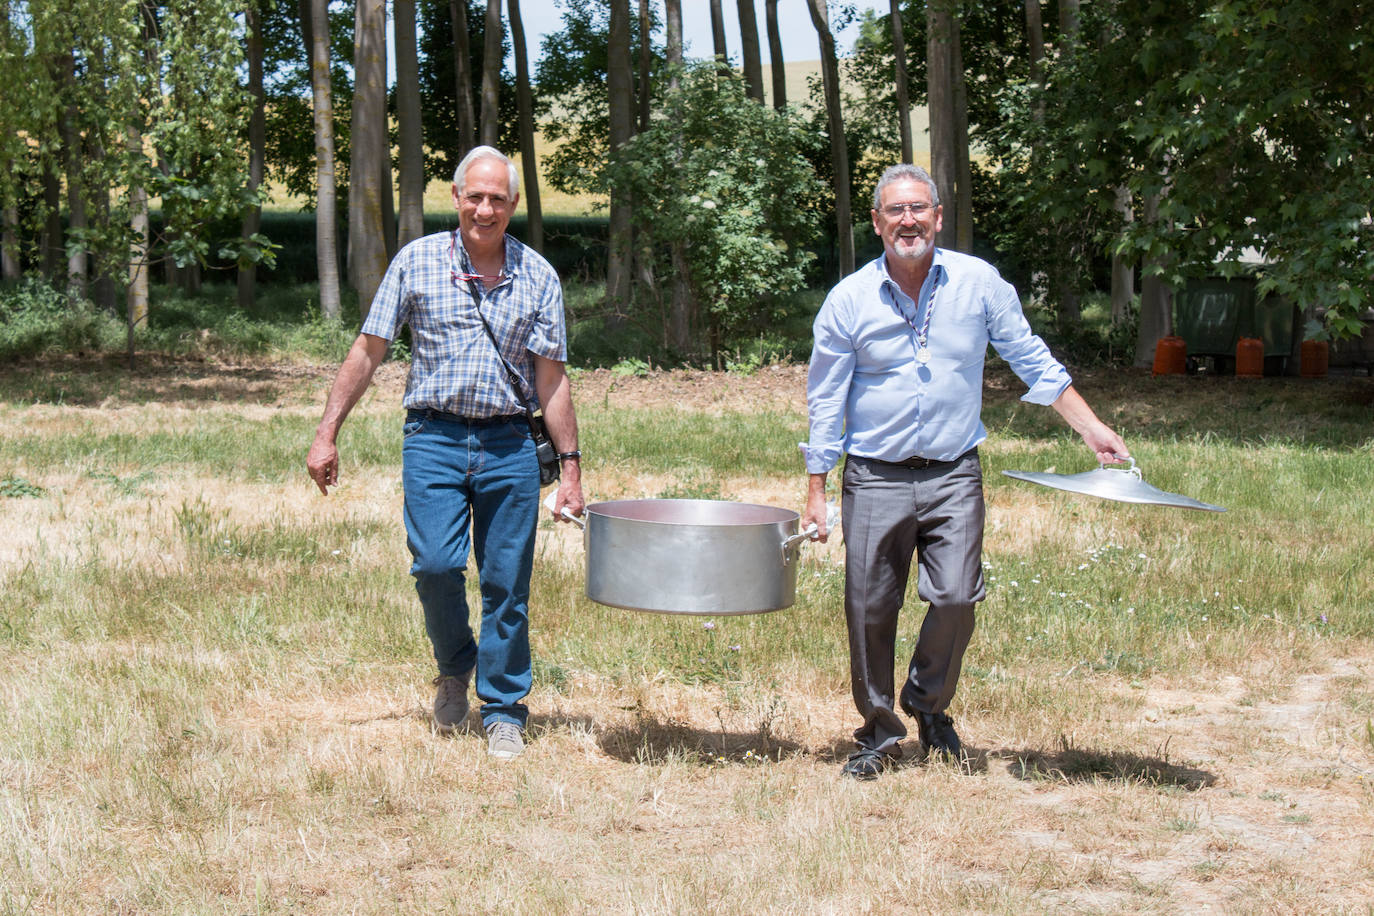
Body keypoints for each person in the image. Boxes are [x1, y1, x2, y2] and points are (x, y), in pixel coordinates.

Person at [801, 164, 1128, 780]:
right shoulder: (848, 299)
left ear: (939, 217)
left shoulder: (979, 284)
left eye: (919, 208)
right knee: (870, 606)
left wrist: (1090, 428)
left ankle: (928, 708)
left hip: (954, 472)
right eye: (894, 210)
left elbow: (1030, 356)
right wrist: (818, 486)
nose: (908, 220)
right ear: (876, 222)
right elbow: (825, 397)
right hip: (875, 474)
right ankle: (877, 732)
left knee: (956, 596)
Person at [306, 146, 584, 761]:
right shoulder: (416, 262)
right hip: (431, 439)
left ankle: (505, 708)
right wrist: (328, 430)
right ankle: (455, 668)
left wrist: (570, 468)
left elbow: (552, 378)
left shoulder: (538, 275)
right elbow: (369, 349)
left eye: (498, 200)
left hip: (510, 443)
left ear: (513, 206)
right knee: (434, 565)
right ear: (456, 198)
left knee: (506, 582)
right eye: (474, 197)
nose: (484, 209)